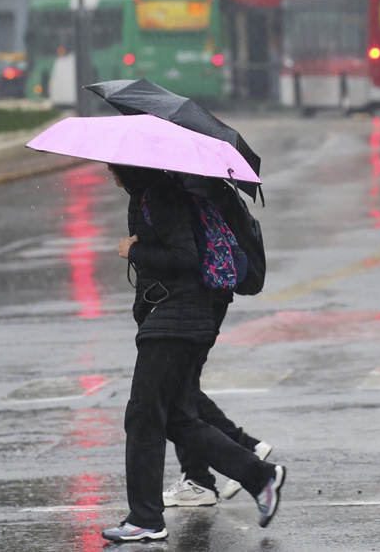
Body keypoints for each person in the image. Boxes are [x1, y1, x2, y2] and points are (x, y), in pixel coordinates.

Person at [102, 164, 285, 543]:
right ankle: (259, 475)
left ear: (128, 167)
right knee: (175, 419)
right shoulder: (154, 192)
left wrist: (134, 249)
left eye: (112, 166)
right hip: (183, 317)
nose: (109, 172)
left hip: (176, 320)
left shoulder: (159, 195)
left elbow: (184, 256)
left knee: (142, 416)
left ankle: (146, 519)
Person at [162, 176, 273, 508]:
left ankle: (240, 450)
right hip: (211, 296)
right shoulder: (204, 180)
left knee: (178, 389)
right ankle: (198, 478)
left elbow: (183, 252)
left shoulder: (183, 185)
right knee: (181, 388)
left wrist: (138, 247)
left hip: (200, 298)